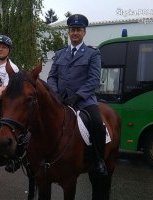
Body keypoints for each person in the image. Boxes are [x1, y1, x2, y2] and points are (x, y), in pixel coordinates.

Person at [47, 14, 107, 176]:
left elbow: (94, 79)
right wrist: (55, 93)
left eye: (78, 30)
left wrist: (78, 96)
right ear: (68, 32)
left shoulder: (93, 53)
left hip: (84, 100)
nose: (75, 33)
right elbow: (52, 76)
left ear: (84, 32)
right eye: (72, 30)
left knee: (97, 124)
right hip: (61, 100)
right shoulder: (60, 54)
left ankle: (98, 160)